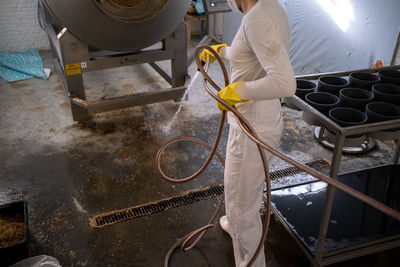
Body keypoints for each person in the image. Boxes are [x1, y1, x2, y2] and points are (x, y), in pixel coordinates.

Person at [200, 0, 296, 266]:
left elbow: (285, 83)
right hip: (258, 119)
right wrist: (225, 52)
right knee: (246, 188)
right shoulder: (271, 7)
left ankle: (251, 262)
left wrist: (237, 91)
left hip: (253, 126)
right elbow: (252, 50)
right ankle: (234, 224)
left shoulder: (256, 19)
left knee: (241, 205)